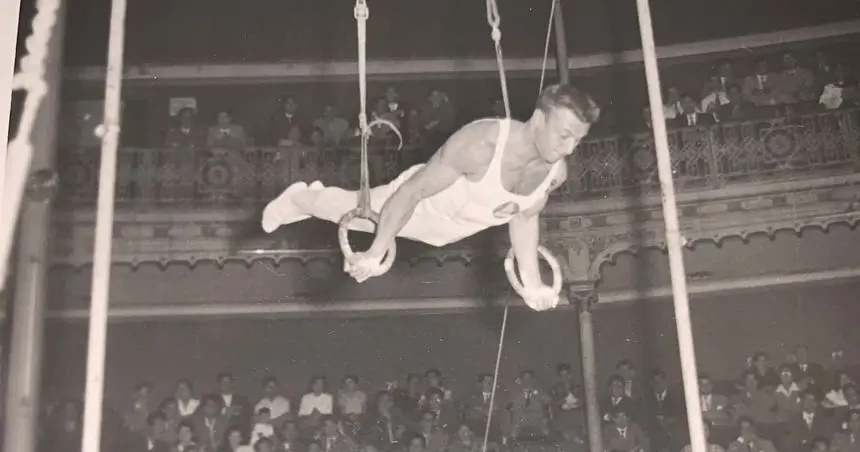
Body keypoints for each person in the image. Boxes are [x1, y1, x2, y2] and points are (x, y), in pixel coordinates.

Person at [261, 84, 600, 311]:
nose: (568, 149)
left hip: (450, 231)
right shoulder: (482, 144)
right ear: (539, 119)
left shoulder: (556, 172)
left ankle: (309, 200)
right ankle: (300, 199)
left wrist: (535, 282)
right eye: (564, 135)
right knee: (351, 211)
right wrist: (376, 252)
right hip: (419, 205)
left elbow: (525, 217)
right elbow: (413, 191)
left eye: (577, 141)